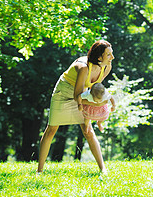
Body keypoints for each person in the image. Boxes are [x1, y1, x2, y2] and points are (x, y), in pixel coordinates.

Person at [37, 40, 114, 174]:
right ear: (99, 57)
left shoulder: (107, 67)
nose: (112, 57)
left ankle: (103, 169)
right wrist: (99, 104)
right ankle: (40, 171)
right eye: (108, 55)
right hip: (65, 92)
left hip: (82, 95)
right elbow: (76, 95)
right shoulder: (83, 67)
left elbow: (93, 90)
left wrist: (96, 106)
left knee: (88, 131)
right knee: (51, 129)